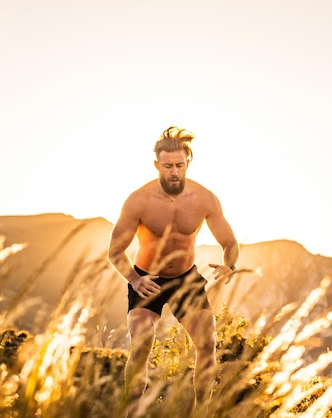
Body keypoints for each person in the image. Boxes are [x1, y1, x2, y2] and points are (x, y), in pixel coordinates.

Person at [108, 126, 239, 416]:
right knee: (141, 346)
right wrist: (134, 279)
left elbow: (229, 243)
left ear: (187, 163)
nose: (174, 172)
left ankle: (199, 413)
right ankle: (131, 413)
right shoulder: (138, 200)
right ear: (157, 165)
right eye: (168, 166)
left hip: (185, 279)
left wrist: (230, 265)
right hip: (146, 279)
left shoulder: (205, 199)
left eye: (180, 165)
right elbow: (114, 252)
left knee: (207, 345)